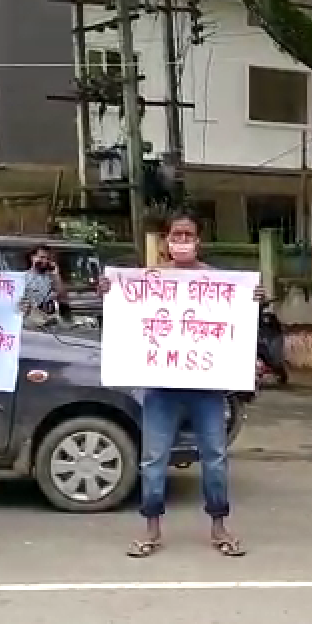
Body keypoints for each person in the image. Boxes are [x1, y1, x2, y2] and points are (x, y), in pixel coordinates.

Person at [98, 210, 263, 558]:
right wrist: (109, 292)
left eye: (189, 235)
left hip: (207, 388)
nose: (183, 241)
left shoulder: (219, 282)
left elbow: (237, 319)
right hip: (161, 388)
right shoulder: (149, 280)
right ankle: (151, 530)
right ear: (166, 240)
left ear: (198, 240)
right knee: (153, 459)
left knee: (215, 458)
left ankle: (219, 526)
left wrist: (252, 299)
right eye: (177, 235)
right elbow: (126, 314)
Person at [23, 244, 66, 321]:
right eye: (42, 257)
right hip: (31, 321)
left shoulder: (52, 277)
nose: (45, 261)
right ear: (32, 257)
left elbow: (62, 297)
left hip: (50, 319)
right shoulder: (23, 277)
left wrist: (56, 275)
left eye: (48, 258)